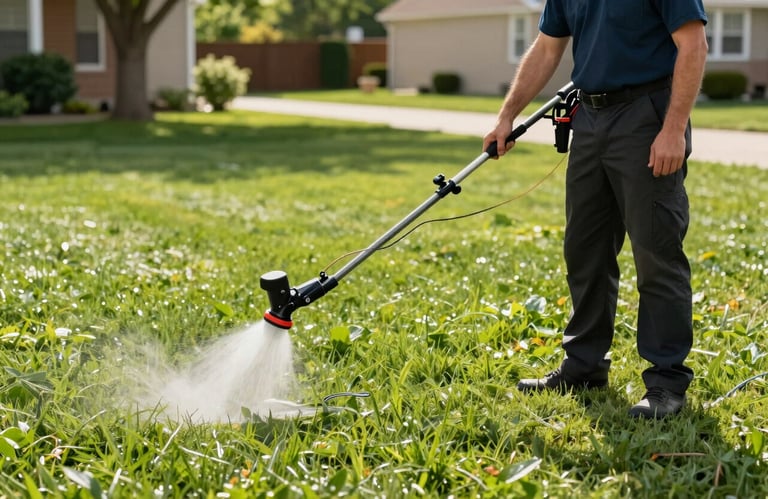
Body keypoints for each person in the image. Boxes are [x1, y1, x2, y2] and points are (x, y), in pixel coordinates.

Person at [482, 1, 708, 419]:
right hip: (589, 118)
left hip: (646, 115)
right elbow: (548, 48)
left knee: (656, 251)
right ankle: (583, 366)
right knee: (584, 249)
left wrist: (673, 129)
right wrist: (506, 116)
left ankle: (666, 382)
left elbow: (692, 44)